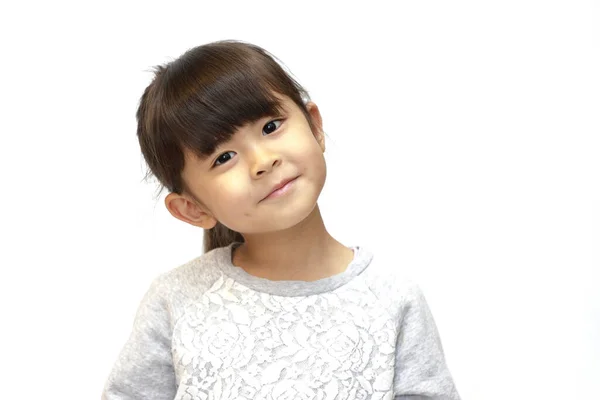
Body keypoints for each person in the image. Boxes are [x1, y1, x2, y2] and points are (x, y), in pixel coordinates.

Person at [102, 40, 461, 400]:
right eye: (224, 157)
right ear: (192, 208)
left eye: (271, 126)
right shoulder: (175, 301)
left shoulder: (394, 300)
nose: (263, 160)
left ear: (315, 126)